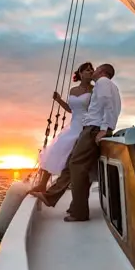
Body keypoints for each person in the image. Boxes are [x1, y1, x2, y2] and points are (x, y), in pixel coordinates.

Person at [31, 63, 121, 221]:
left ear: (101, 71)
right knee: (72, 164)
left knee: (77, 166)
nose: (93, 71)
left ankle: (78, 211)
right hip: (87, 127)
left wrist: (104, 129)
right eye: (87, 70)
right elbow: (109, 107)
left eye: (95, 69)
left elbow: (109, 106)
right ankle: (52, 197)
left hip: (92, 129)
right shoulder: (109, 86)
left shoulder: (102, 83)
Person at [31, 63, 95, 192]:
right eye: (87, 70)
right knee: (54, 149)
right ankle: (42, 185)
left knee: (72, 154)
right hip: (73, 125)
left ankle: (68, 184)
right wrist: (59, 100)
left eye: (92, 70)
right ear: (81, 73)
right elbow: (71, 109)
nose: (91, 71)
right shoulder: (73, 90)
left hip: (86, 125)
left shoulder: (94, 90)